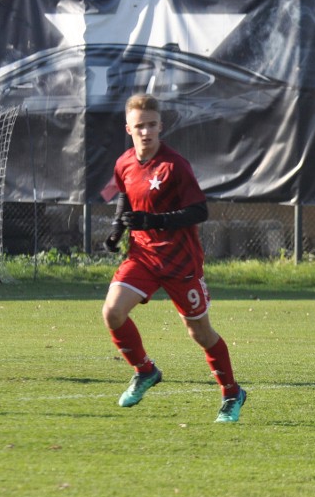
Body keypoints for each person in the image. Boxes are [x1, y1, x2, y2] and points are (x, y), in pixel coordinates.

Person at [102, 93, 247, 423]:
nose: (146, 132)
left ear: (160, 126)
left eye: (151, 125)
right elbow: (124, 198)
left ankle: (231, 393)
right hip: (142, 257)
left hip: (180, 263)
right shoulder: (124, 162)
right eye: (139, 126)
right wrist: (116, 231)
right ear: (129, 128)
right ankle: (145, 371)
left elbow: (200, 211)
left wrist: (154, 221)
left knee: (200, 334)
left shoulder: (175, 166)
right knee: (112, 311)